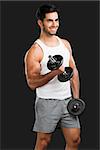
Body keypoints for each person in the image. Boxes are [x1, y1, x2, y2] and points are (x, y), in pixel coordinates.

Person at [24, 3, 81, 150]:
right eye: (50, 20)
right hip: (47, 102)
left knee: (75, 140)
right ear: (40, 23)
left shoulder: (65, 44)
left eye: (56, 20)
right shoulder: (36, 50)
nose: (54, 24)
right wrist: (54, 73)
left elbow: (73, 71)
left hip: (67, 100)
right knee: (43, 143)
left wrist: (76, 98)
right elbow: (32, 83)